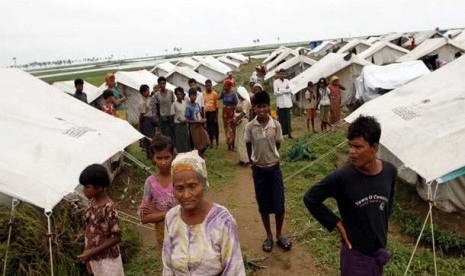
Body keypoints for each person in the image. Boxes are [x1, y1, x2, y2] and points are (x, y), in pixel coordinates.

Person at [303, 116, 396, 276]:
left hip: (378, 256)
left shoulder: (389, 172)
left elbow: (388, 207)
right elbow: (310, 198)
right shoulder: (343, 178)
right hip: (355, 257)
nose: (352, 152)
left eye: (358, 147)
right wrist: (337, 224)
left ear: (374, 148)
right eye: (350, 146)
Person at [162, 150, 246, 275]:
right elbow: (167, 266)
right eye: (179, 188)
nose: (186, 195)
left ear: (204, 184)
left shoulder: (222, 221)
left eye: (192, 186)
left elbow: (234, 270)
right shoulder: (171, 218)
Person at [245, 90, 292, 253]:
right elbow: (248, 145)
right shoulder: (250, 126)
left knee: (279, 205)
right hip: (259, 170)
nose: (261, 110)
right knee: (264, 205)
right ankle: (269, 236)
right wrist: (254, 162)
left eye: (264, 106)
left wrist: (271, 158)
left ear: (268, 106)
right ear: (254, 108)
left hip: (274, 169)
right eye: (258, 107)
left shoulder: (276, 125)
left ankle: (279, 235)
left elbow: (277, 144)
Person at [77, 164, 124, 276]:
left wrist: (91, 252)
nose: (84, 191)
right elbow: (89, 230)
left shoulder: (108, 207)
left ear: (99, 187)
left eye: (87, 187)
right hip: (95, 258)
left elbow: (116, 237)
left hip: (108, 259)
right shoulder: (91, 203)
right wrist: (88, 255)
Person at [138, 134, 178, 256]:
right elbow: (144, 218)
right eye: (159, 158)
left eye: (167, 157)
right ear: (153, 158)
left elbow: (189, 210)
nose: (164, 162)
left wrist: (157, 212)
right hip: (163, 237)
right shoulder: (150, 183)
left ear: (173, 156)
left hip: (184, 233)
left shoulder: (180, 178)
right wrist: (173, 212)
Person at [185, 88, 210, 158]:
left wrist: (203, 120)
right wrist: (196, 121)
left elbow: (199, 114)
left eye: (195, 95)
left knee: (207, 141)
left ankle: (200, 154)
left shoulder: (197, 105)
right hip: (194, 127)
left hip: (200, 125)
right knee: (198, 144)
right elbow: (186, 120)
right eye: (192, 96)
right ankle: (199, 156)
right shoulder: (188, 107)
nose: (194, 97)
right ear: (189, 96)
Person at [273, 69, 293, 139]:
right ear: (278, 74)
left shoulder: (287, 81)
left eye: (284, 74)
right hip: (280, 104)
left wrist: (281, 90)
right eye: (281, 74)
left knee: (288, 119)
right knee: (281, 119)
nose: (282, 75)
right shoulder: (275, 82)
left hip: (287, 103)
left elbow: (290, 90)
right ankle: (281, 135)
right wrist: (285, 90)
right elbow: (275, 92)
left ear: (285, 74)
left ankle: (289, 134)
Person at [218, 79, 238, 150]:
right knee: (226, 128)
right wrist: (222, 89)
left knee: (232, 128)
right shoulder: (223, 93)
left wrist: (235, 114)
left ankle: (232, 144)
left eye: (225, 86)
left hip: (231, 112)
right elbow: (218, 97)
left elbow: (236, 104)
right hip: (225, 112)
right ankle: (228, 144)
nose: (224, 87)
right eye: (224, 86)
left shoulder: (233, 94)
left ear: (229, 86)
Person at [170, 87, 191, 153]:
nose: (179, 96)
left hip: (185, 124)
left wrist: (186, 119)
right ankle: (181, 153)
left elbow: (185, 113)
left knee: (185, 140)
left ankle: (187, 153)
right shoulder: (174, 104)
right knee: (179, 140)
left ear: (183, 94)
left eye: (180, 94)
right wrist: (181, 120)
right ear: (176, 95)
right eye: (178, 94)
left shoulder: (184, 103)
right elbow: (173, 116)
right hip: (178, 125)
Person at [154, 76, 175, 142]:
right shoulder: (156, 95)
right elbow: (157, 107)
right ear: (158, 84)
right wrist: (159, 118)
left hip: (171, 116)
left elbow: (173, 104)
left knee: (172, 133)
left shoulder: (170, 92)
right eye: (161, 83)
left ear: (165, 84)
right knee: (165, 135)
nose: (162, 85)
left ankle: (173, 147)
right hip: (163, 118)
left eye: (163, 83)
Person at [234, 87, 251, 166]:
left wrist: (236, 120)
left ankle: (246, 160)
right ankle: (241, 158)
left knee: (242, 141)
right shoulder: (240, 101)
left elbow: (243, 113)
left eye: (238, 93)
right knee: (239, 140)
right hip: (239, 123)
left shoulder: (246, 102)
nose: (237, 95)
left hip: (243, 122)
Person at [139, 84, 156, 158]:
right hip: (146, 120)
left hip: (150, 119)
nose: (149, 92)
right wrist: (140, 123)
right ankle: (150, 154)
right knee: (149, 138)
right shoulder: (142, 102)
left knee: (152, 135)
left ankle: (152, 152)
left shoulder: (148, 99)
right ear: (143, 92)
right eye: (147, 91)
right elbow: (141, 115)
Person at [203, 79, 219, 148]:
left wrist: (215, 116)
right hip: (206, 113)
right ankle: (210, 142)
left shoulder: (214, 94)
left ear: (211, 86)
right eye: (206, 86)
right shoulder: (203, 94)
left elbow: (217, 106)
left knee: (213, 128)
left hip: (213, 113)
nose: (208, 87)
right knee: (208, 128)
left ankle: (215, 143)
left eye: (209, 86)